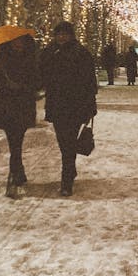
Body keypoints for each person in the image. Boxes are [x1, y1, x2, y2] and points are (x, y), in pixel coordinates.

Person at [40, 21, 98, 196]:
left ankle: (67, 181)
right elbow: (42, 75)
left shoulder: (81, 53)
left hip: (75, 104)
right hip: (57, 104)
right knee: (63, 142)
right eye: (58, 34)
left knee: (69, 143)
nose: (61, 37)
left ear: (71, 35)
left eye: (65, 34)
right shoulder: (49, 53)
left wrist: (90, 106)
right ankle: (70, 171)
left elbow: (90, 82)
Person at [0, 35, 39, 199]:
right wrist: (4, 83)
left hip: (23, 103)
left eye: (21, 42)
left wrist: (23, 86)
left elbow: (38, 80)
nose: (18, 44)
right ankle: (15, 173)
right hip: (6, 104)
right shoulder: (1, 58)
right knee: (14, 139)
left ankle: (17, 171)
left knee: (17, 139)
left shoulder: (31, 58)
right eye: (14, 41)